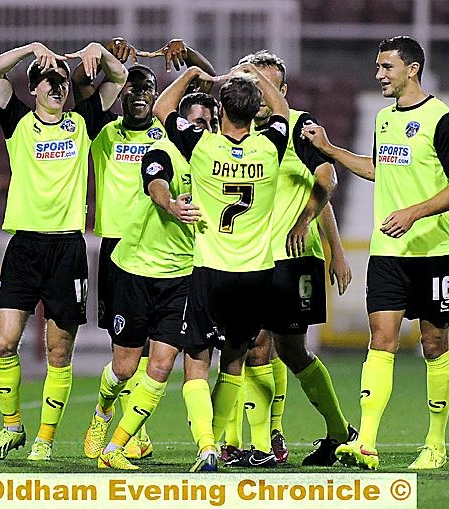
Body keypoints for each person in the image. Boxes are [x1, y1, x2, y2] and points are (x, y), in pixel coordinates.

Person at [302, 36, 449, 470]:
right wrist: (330, 150)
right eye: (378, 67)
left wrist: (415, 212)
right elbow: (379, 168)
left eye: (386, 67)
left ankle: (435, 444)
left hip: (434, 251)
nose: (379, 75)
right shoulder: (383, 119)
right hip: (389, 253)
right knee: (381, 341)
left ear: (411, 69)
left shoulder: (443, 120)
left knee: (434, 345)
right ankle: (367, 443)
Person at [0, 41, 127, 461]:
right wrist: (31, 49)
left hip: (67, 247)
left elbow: (117, 77)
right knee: (5, 342)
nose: (57, 86)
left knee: (59, 351)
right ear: (32, 88)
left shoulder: (82, 123)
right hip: (24, 246)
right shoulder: (18, 123)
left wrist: (97, 50)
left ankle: (44, 440)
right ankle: (12, 427)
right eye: (48, 80)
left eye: (61, 81)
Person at [73, 38, 216, 463]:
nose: (138, 94)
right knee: (124, 361)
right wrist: (104, 57)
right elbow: (83, 86)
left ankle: (131, 430)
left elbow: (208, 86)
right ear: (120, 94)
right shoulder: (102, 132)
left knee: (158, 352)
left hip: (171, 253)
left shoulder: (170, 134)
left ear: (156, 96)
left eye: (146, 88)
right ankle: (105, 414)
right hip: (121, 250)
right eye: (130, 87)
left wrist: (189, 55)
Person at [217, 50, 357, 467]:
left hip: (294, 259)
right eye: (253, 83)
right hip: (251, 259)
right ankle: (262, 442)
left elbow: (326, 181)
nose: (260, 93)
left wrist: (328, 244)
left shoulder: (299, 127)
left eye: (268, 85)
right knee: (255, 346)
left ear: (283, 90)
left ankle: (332, 431)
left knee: (289, 351)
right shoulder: (239, 130)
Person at [151, 62, 290, 469]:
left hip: (211, 269)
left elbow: (163, 107)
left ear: (221, 110)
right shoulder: (270, 148)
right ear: (254, 110)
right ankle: (223, 447)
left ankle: (208, 446)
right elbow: (282, 112)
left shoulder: (202, 145)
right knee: (235, 360)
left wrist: (193, 72)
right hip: (256, 274)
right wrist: (255, 76)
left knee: (196, 363)